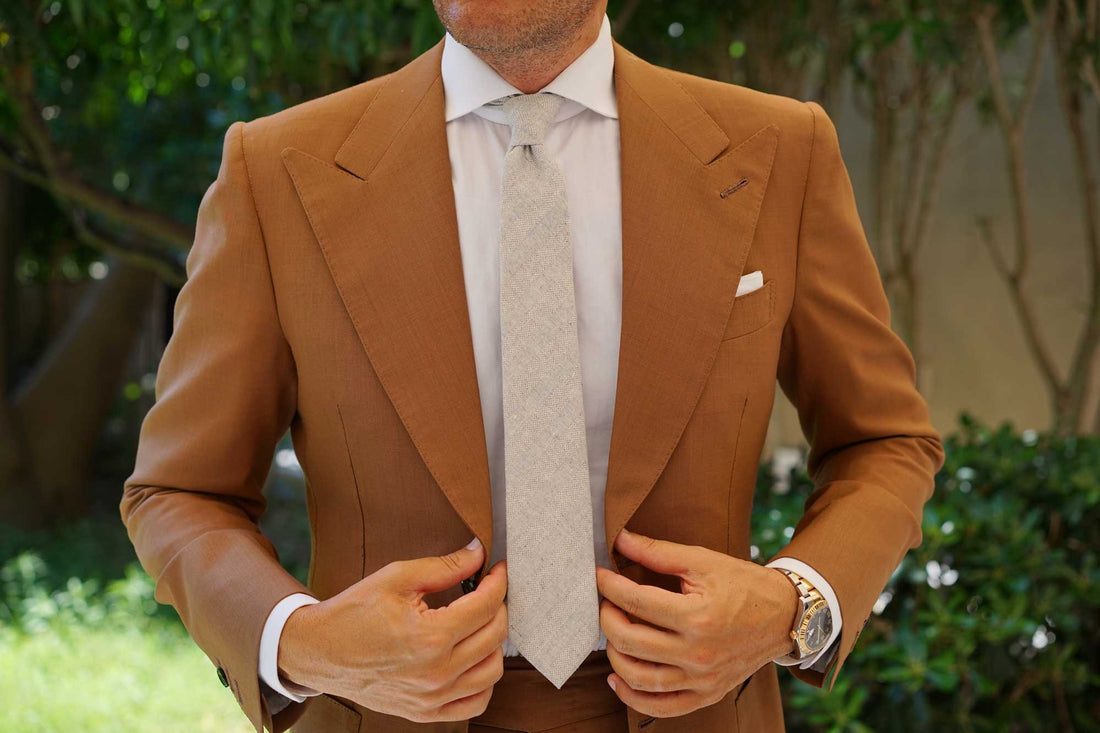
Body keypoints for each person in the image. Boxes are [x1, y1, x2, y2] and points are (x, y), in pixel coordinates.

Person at [119, 1, 944, 732]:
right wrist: (302, 642)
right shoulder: (276, 170)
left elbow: (885, 442)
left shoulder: (780, 150)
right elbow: (180, 491)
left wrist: (790, 606)